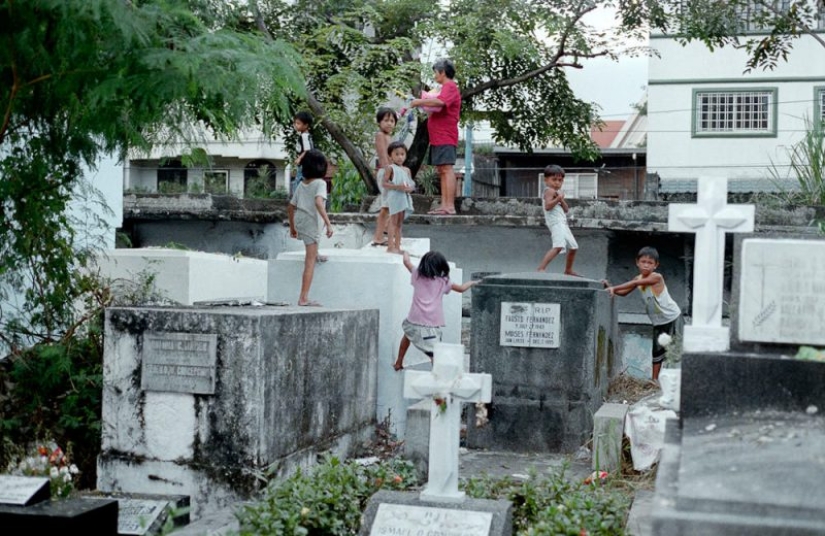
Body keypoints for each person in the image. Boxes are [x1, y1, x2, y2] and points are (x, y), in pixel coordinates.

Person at [605, 246, 682, 380]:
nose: (646, 265)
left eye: (650, 263)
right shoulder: (637, 279)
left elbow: (638, 282)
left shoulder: (656, 277)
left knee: (674, 350)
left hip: (672, 318)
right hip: (659, 321)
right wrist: (608, 287)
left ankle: (676, 379)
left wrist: (613, 288)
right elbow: (624, 293)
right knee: (657, 351)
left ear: (656, 265)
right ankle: (654, 381)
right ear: (637, 262)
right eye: (643, 262)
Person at [393, 251, 479, 371]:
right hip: (429, 324)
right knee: (434, 353)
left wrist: (406, 252)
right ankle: (437, 376)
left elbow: (406, 262)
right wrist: (473, 282)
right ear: (441, 266)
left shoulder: (417, 275)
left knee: (407, 335)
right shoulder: (443, 282)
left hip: (412, 320)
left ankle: (399, 361)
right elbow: (461, 288)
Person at [411, 59, 461, 216]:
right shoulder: (446, 87)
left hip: (445, 135)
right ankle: (445, 205)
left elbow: (440, 102)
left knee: (446, 169)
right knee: (442, 169)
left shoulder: (450, 86)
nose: (434, 75)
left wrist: (419, 101)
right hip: (439, 136)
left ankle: (449, 206)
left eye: (435, 72)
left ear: (443, 72)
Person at [287, 149, 333, 307]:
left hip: (301, 221)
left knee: (313, 245)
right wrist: (328, 223)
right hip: (311, 222)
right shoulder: (320, 183)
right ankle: (303, 297)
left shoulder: (302, 184)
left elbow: (291, 206)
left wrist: (292, 227)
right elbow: (319, 203)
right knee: (309, 261)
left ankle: (316, 252)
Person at [536, 165, 580, 275]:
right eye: (554, 179)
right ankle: (541, 268)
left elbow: (566, 209)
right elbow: (548, 206)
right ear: (546, 180)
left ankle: (568, 270)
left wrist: (561, 200)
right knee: (558, 246)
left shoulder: (557, 193)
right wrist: (558, 198)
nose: (557, 183)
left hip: (562, 223)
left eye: (560, 180)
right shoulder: (549, 191)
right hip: (555, 223)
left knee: (574, 247)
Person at [382, 141, 415, 254]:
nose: (400, 157)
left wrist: (409, 188)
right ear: (390, 156)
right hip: (394, 196)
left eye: (402, 154)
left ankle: (398, 247)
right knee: (393, 221)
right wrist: (398, 187)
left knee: (400, 223)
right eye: (397, 154)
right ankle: (390, 247)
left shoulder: (407, 170)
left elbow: (410, 184)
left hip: (403, 197)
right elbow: (384, 184)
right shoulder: (390, 168)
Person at [371, 107, 396, 247]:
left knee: (390, 205)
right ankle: (378, 237)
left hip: (390, 172)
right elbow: (382, 156)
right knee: (386, 207)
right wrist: (388, 174)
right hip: (385, 173)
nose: (389, 123)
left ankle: (385, 231)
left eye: (392, 121)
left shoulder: (389, 137)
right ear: (379, 122)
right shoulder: (380, 135)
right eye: (386, 120)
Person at [291, 111, 314, 197]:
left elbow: (307, 150)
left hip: (304, 164)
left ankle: (297, 201)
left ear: (306, 125)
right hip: (307, 164)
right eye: (295, 123)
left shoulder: (304, 136)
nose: (296, 125)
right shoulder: (306, 135)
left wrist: (299, 158)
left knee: (298, 182)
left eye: (298, 123)